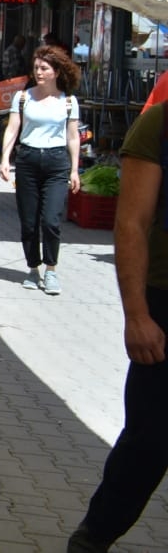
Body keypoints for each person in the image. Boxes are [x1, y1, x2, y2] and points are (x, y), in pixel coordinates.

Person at [69, 100, 168, 552]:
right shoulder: (160, 123)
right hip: (164, 307)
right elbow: (131, 221)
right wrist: (137, 315)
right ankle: (97, 534)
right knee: (149, 441)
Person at [0, 45, 82, 294]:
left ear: (56, 71)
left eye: (44, 68)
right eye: (36, 68)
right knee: (29, 222)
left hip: (57, 163)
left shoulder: (68, 101)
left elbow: (73, 136)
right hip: (28, 161)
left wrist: (74, 170)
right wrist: (4, 159)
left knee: (51, 220)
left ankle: (51, 269)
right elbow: (12, 129)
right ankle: (33, 268)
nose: (39, 73)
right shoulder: (23, 97)